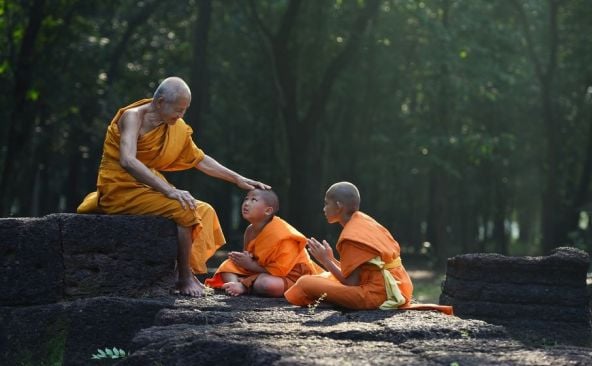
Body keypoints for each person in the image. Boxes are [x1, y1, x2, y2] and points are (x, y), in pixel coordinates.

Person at [77, 76, 269, 297]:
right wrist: (169, 190)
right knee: (184, 208)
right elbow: (128, 160)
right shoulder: (133, 117)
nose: (181, 116)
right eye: (178, 109)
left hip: (148, 184)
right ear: (159, 102)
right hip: (120, 187)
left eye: (185, 110)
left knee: (204, 210)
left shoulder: (175, 126)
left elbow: (199, 158)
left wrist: (236, 178)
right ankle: (184, 277)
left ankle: (182, 271)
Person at [284, 181, 414, 310]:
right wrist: (331, 259)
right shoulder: (366, 221)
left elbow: (351, 283)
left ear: (339, 206)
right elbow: (362, 271)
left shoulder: (350, 237)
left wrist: (325, 261)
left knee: (304, 283)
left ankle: (334, 302)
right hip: (401, 287)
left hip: (379, 295)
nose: (324, 209)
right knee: (326, 277)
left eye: (326, 203)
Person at [205, 189, 323, 297]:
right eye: (246, 199)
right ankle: (234, 284)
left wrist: (250, 265)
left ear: (268, 210)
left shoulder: (283, 235)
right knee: (228, 265)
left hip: (291, 277)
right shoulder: (250, 230)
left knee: (267, 284)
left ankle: (244, 287)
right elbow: (252, 257)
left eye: (254, 200)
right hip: (261, 270)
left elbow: (279, 271)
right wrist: (244, 259)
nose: (246, 203)